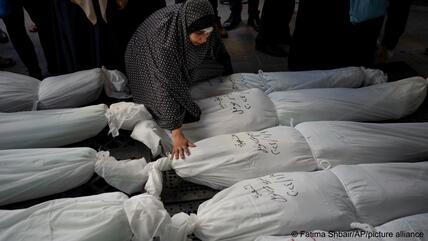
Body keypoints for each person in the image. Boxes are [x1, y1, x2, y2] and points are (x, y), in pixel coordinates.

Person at [125, 0, 232, 160]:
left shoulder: (198, 21)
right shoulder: (164, 43)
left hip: (170, 57)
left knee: (213, 68)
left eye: (207, 33)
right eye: (199, 34)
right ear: (185, 27)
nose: (204, 39)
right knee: (159, 94)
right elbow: (163, 84)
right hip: (144, 60)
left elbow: (217, 49)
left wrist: (227, 69)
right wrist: (176, 132)